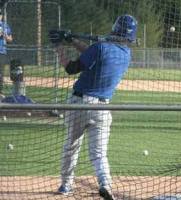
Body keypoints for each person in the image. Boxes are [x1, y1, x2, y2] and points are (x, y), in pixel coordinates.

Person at [48, 15, 138, 200]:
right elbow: (93, 52)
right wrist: (72, 40)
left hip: (80, 105)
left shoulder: (100, 48)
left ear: (115, 28)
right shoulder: (126, 54)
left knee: (71, 147)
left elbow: (71, 68)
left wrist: (59, 47)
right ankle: (105, 184)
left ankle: (66, 185)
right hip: (103, 109)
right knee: (99, 154)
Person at [0, 8, 13, 100]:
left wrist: (4, 35)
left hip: (1, 52)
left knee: (0, 73)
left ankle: (0, 92)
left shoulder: (5, 26)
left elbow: (10, 39)